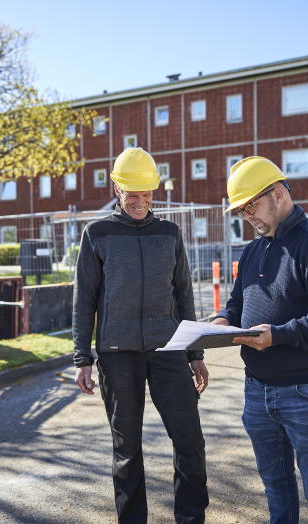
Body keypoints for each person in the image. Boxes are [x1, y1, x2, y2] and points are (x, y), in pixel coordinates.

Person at [213, 156, 308, 524]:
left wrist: (278, 336)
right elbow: (237, 302)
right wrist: (222, 321)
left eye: (252, 207)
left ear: (277, 194)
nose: (248, 218)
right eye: (242, 212)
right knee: (276, 489)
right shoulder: (252, 249)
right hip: (257, 392)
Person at [72, 147, 210, 524]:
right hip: (117, 355)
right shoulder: (97, 233)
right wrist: (82, 358)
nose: (140, 201)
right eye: (132, 193)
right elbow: (84, 300)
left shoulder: (169, 233)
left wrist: (194, 354)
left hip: (168, 351)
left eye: (146, 193)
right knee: (127, 449)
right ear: (117, 188)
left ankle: (191, 518)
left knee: (190, 442)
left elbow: (183, 294)